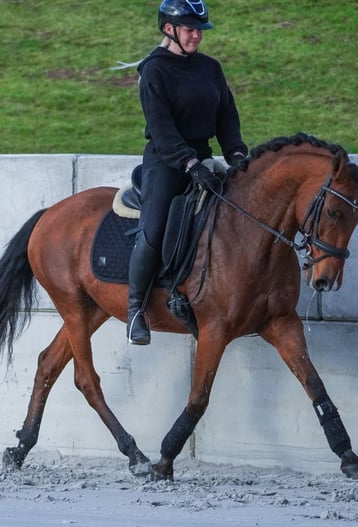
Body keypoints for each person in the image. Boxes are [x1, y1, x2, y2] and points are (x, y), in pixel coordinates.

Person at [127, 0, 248, 345]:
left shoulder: (211, 68)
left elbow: (227, 116)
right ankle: (135, 308)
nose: (197, 35)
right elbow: (162, 129)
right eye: (190, 29)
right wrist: (190, 164)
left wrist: (236, 153)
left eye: (200, 30)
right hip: (166, 161)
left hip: (203, 158)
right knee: (154, 227)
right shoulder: (154, 71)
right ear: (169, 30)